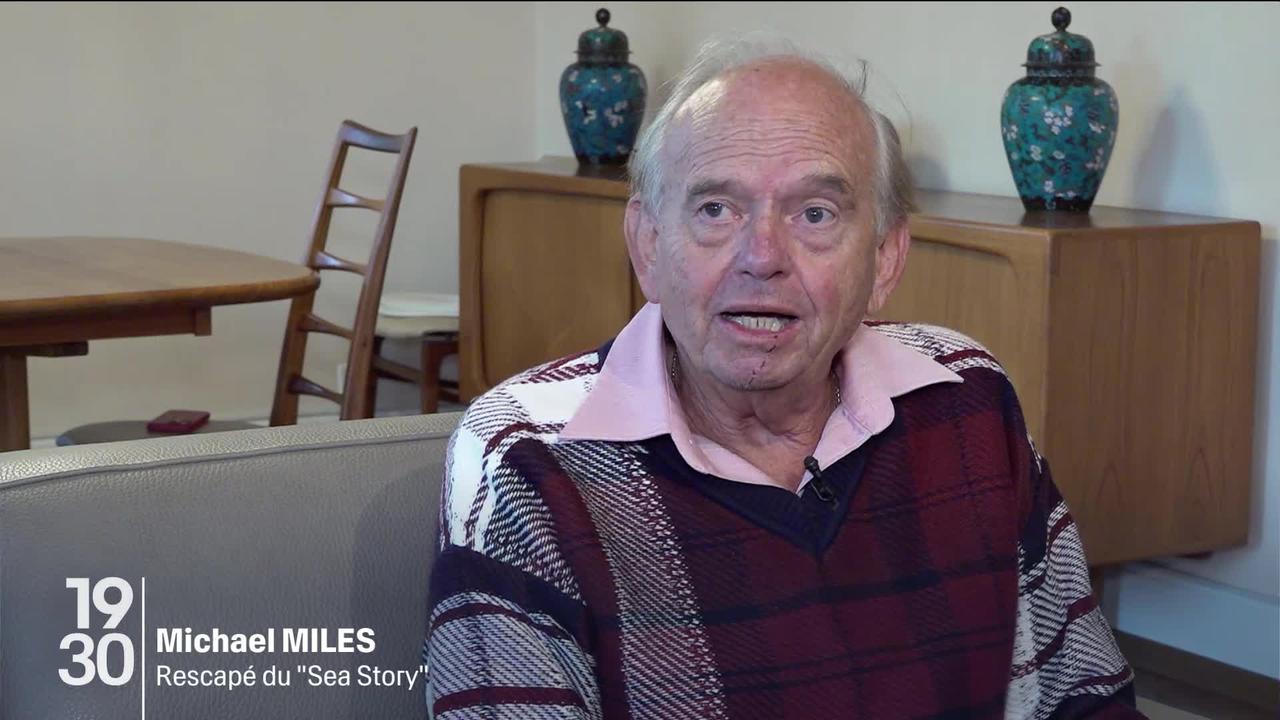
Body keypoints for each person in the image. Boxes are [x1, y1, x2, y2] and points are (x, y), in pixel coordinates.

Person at [424, 37, 1144, 719]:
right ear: (647, 245)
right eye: (715, 209)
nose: (762, 255)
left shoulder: (969, 399)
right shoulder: (524, 461)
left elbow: (1086, 695)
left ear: (886, 260)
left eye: (815, 213)